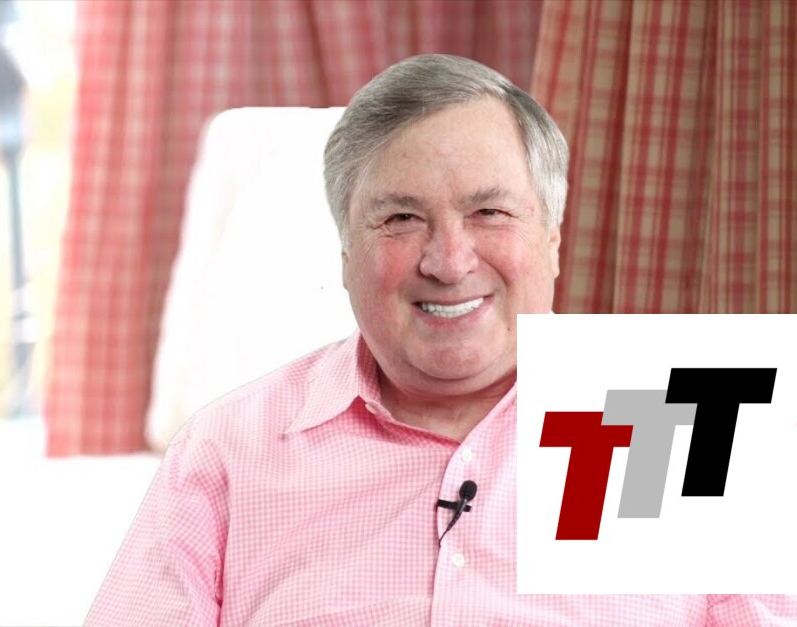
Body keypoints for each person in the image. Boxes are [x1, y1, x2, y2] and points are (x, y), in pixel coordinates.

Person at [86, 54, 796, 625]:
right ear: (345, 252)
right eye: (400, 218)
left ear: (551, 240)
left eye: (489, 212)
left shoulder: (693, 414)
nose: (449, 261)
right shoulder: (229, 450)